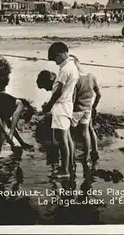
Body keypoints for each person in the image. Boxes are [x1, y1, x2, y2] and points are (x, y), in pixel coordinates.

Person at [42, 42, 79, 179]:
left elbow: (58, 91)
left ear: (60, 54)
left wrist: (48, 106)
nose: (56, 63)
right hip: (67, 104)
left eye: (55, 59)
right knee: (68, 138)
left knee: (63, 139)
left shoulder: (65, 69)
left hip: (61, 106)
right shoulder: (72, 66)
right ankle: (70, 165)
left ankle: (65, 170)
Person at [69, 55, 101, 165]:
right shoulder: (91, 76)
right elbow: (99, 94)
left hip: (77, 110)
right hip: (88, 109)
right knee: (86, 132)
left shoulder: (75, 79)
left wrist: (68, 110)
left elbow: (73, 99)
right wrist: (94, 107)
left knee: (70, 134)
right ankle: (87, 157)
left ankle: (71, 158)